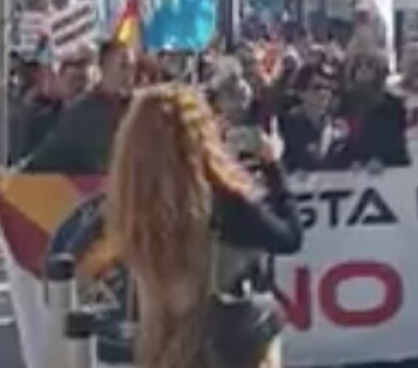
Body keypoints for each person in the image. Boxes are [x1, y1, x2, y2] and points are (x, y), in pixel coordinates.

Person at [106, 84, 303, 368]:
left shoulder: (132, 206)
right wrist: (273, 166)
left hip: (160, 345)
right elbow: (289, 237)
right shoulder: (221, 202)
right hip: (222, 348)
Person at [22, 40, 134, 174]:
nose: (129, 74)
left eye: (132, 67)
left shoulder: (139, 109)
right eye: (123, 66)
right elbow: (47, 156)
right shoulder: (82, 113)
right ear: (103, 68)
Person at [280, 62, 337, 172]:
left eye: (328, 88)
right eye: (317, 87)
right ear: (301, 92)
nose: (324, 93)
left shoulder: (340, 129)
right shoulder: (285, 126)